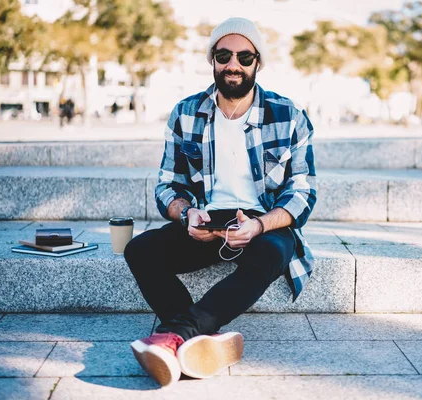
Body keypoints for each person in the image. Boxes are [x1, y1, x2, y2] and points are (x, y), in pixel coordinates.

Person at [124, 17, 317, 387]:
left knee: (272, 253)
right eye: (224, 55)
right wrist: (186, 215)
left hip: (263, 223)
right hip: (208, 221)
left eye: (245, 57)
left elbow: (303, 192)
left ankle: (175, 336)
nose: (234, 64)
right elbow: (168, 185)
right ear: (212, 59)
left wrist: (259, 225)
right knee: (140, 249)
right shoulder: (186, 112)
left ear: (258, 62)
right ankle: (201, 342)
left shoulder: (288, 114)